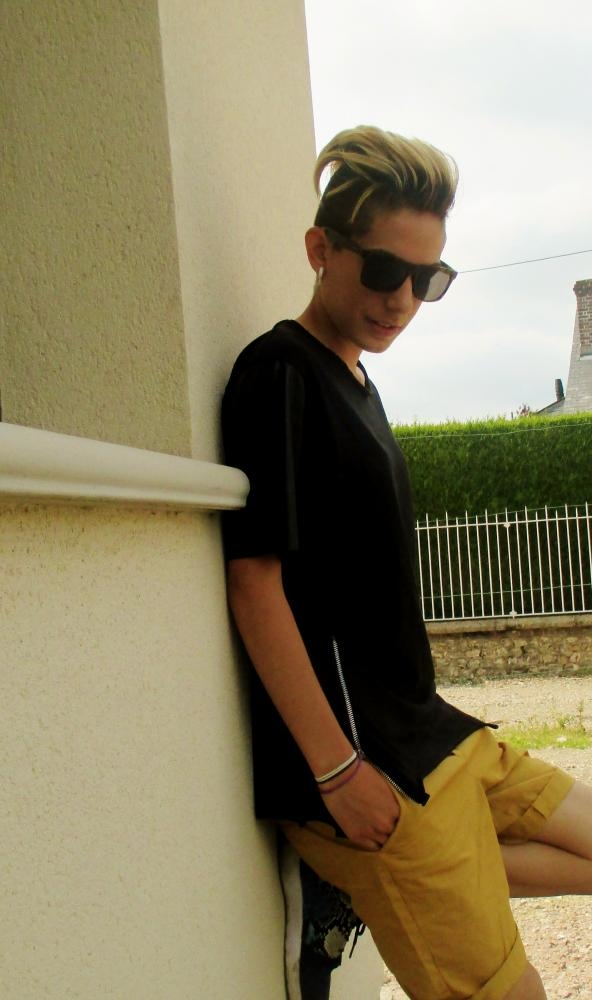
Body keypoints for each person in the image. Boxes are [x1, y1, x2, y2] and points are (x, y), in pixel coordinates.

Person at [221, 125, 592, 1000]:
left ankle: (396, 885)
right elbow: (254, 581)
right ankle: (364, 872)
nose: (402, 300)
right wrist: (337, 774)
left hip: (436, 737)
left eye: (427, 280)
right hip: (373, 777)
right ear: (321, 250)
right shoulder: (280, 372)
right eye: (385, 270)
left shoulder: (358, 380)